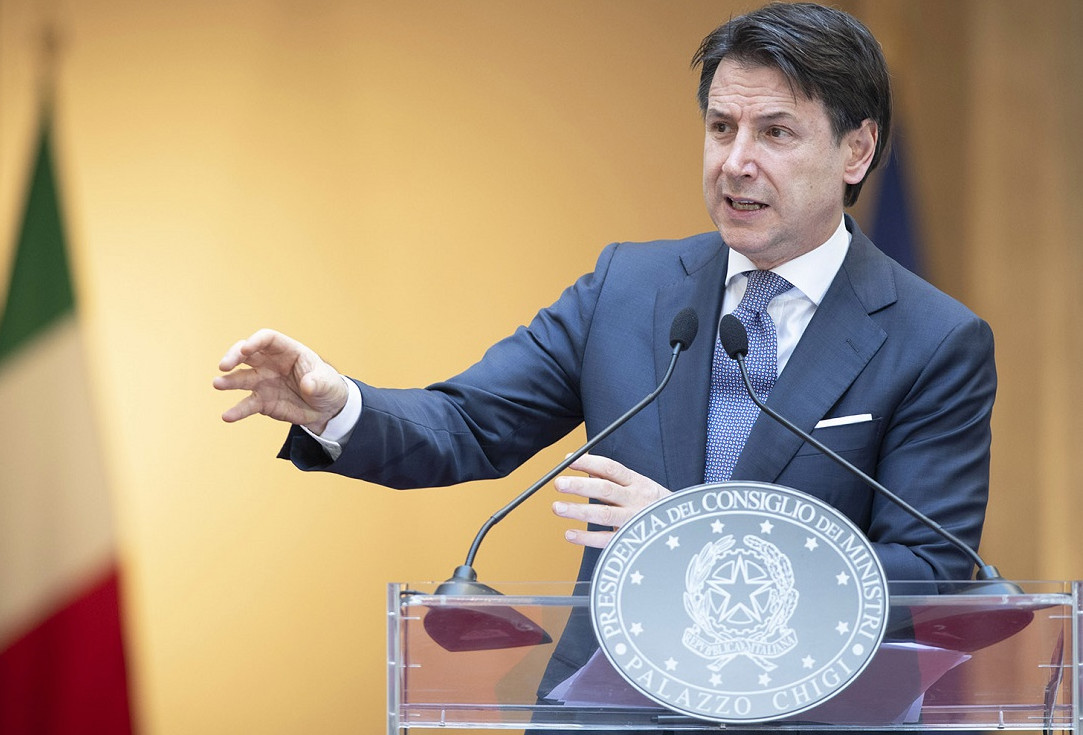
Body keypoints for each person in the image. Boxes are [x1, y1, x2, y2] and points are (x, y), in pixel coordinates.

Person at [215, 2, 995, 727]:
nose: (735, 161)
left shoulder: (932, 340)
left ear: (856, 149)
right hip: (608, 713)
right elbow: (469, 423)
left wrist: (688, 530)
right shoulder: (629, 289)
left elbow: (925, 572)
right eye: (720, 127)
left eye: (775, 133)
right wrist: (337, 406)